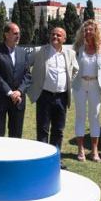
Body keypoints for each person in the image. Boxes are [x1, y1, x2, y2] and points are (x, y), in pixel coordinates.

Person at [27, 27, 79, 169]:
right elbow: (25, 65)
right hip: (44, 95)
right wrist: (33, 82)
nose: (55, 37)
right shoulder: (39, 51)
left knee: (58, 130)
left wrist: (68, 82)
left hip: (62, 97)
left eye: (59, 35)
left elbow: (75, 69)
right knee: (43, 129)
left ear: (64, 39)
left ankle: (55, 159)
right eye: (53, 34)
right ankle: (42, 159)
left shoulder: (70, 53)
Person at [72, 20, 101, 162]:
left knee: (95, 117)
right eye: (85, 30)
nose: (88, 32)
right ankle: (80, 150)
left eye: (90, 29)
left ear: (96, 31)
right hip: (80, 85)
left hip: (96, 85)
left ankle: (94, 152)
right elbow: (73, 66)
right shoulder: (78, 47)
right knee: (80, 116)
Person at [0, 22, 31, 138]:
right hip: (1, 98)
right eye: (15, 33)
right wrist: (10, 92)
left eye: (19, 33)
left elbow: (27, 75)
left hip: (18, 99)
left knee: (16, 133)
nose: (18, 36)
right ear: (6, 35)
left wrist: (19, 91)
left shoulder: (23, 52)